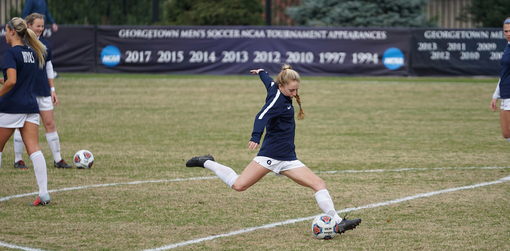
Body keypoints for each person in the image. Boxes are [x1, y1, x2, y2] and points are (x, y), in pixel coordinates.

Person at [186, 65, 361, 235]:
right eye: (291, 90)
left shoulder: (276, 88)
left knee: (319, 184)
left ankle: (338, 223)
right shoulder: (277, 100)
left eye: (296, 90)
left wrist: (261, 72)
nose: (294, 94)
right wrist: (255, 137)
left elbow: (268, 81)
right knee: (239, 185)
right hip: (269, 156)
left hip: (288, 159)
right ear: (281, 86)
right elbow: (261, 116)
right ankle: (206, 161)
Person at [0, 17, 50, 206]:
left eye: (6, 30)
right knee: (35, 150)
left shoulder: (10, 54)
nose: (5, 34)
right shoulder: (31, 51)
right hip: (30, 107)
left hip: (12, 107)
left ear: (13, 31)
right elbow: (16, 81)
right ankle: (44, 193)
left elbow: (12, 82)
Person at [12, 13, 71, 170]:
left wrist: (52, 90)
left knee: (50, 124)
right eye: (37, 26)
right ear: (29, 25)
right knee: (20, 125)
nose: (40, 29)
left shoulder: (45, 44)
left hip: (43, 91)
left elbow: (49, 67)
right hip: (26, 92)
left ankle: (58, 159)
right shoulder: (20, 43)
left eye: (42, 26)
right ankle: (18, 160)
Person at [491, 17, 510, 142]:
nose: (508, 34)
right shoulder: (508, 46)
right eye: (506, 31)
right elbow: (504, 73)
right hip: (505, 93)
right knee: (506, 133)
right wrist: (495, 95)